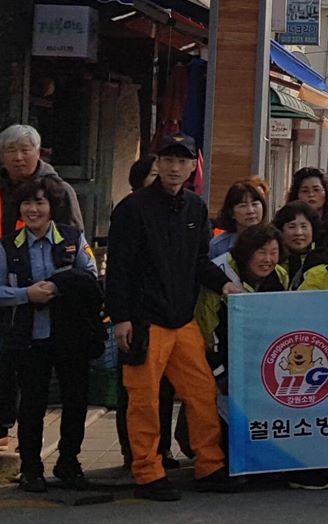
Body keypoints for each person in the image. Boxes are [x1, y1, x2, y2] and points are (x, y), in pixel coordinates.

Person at [105, 135, 240, 501]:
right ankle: (147, 473)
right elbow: (118, 269)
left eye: (183, 161)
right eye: (168, 160)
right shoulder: (132, 208)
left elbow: (200, 262)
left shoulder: (196, 208)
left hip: (183, 321)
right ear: (158, 164)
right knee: (144, 401)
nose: (175, 167)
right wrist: (121, 318)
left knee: (203, 394)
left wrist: (225, 285)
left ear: (193, 166)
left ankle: (209, 466)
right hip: (145, 322)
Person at [0, 123, 86, 453]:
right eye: (11, 151)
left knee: (46, 367)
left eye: (25, 150)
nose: (18, 157)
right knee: (11, 355)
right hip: (7, 287)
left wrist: (58, 283)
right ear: (1, 155)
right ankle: (1, 426)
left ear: (39, 152)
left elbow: (74, 235)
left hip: (53, 290)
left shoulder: (58, 189)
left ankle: (35, 440)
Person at [0, 176, 101, 492]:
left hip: (71, 337)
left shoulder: (72, 238)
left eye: (40, 202)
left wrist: (58, 286)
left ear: (52, 207)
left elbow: (91, 276)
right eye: (27, 203)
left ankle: (69, 463)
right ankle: (31, 468)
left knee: (75, 402)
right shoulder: (8, 246)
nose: (32, 209)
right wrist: (27, 294)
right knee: (31, 405)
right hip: (29, 340)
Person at [197, 223, 288, 372]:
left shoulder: (280, 275)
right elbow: (206, 326)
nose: (268, 259)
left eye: (274, 252)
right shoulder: (220, 273)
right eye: (261, 252)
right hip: (223, 352)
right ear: (246, 253)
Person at [209, 180, 269, 259]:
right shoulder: (218, 246)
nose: (251, 211)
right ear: (231, 213)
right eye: (243, 205)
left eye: (255, 204)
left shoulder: (273, 241)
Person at [272, 202, 323, 291]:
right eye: (292, 227)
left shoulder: (323, 261)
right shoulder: (273, 262)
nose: (298, 233)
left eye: (304, 226)